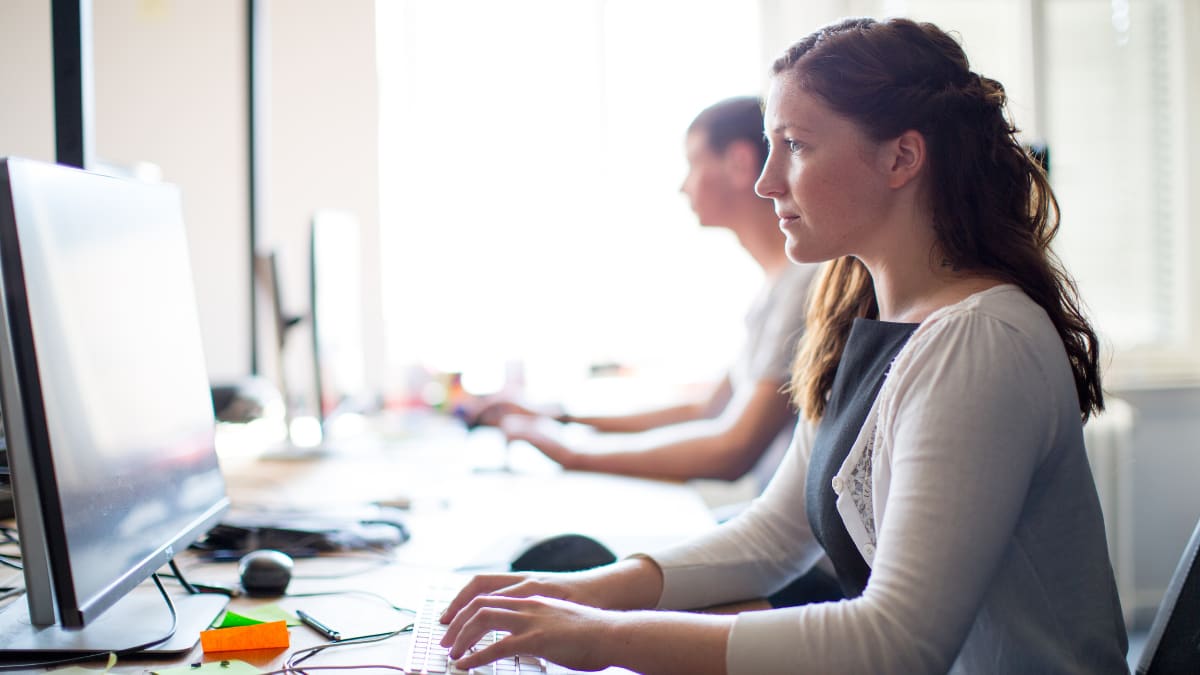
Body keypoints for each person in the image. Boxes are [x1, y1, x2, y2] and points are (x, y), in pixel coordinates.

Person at [436, 17, 1129, 674]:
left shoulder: (981, 343)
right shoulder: (861, 313)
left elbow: (896, 643)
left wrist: (603, 636)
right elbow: (771, 536)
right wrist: (570, 593)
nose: (767, 182)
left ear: (902, 158)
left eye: (794, 145)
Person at [464, 96, 819, 496]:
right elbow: (705, 410)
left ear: (738, 162)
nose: (683, 186)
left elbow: (733, 448)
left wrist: (571, 455)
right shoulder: (775, 288)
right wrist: (560, 419)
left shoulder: (802, 285)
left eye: (693, 163)